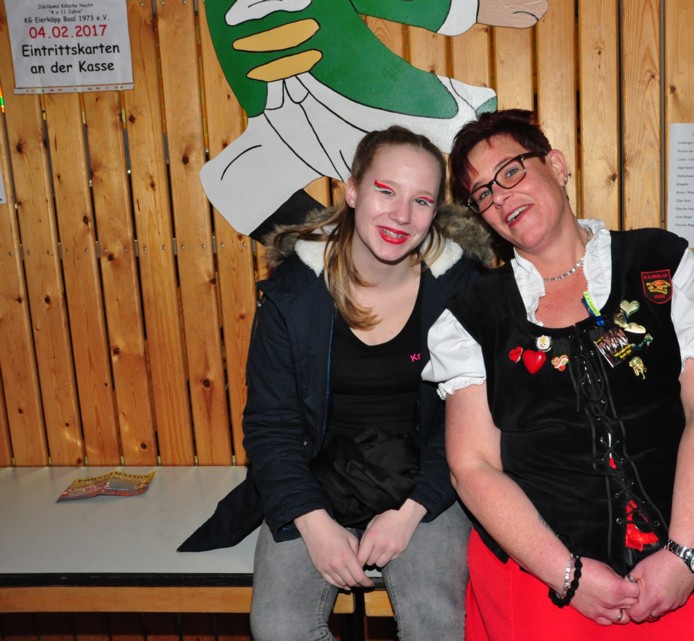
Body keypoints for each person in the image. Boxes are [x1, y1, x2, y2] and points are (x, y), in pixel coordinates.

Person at [422, 110, 694, 640]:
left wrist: (685, 555)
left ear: (556, 165)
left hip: (689, 551)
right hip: (546, 572)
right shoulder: (470, 317)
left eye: (511, 171)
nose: (500, 197)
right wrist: (567, 575)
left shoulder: (660, 264)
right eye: (482, 193)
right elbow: (472, 465)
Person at [180, 126, 492, 641]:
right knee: (280, 627)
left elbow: (469, 425)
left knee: (437, 622)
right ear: (352, 191)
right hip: (314, 481)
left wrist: (411, 512)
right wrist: (312, 522)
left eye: (420, 200)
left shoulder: (463, 291)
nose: (401, 215)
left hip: (426, 485)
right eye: (386, 191)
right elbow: (271, 425)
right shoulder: (294, 293)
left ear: (435, 211)